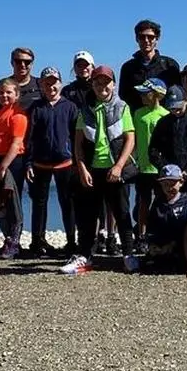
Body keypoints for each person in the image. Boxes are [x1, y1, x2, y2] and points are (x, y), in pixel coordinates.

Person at [66, 65, 137, 275]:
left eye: (106, 82)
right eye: (97, 82)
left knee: (122, 214)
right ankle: (84, 256)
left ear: (113, 84)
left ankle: (128, 255)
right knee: (88, 216)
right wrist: (81, 169)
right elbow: (77, 143)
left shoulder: (122, 107)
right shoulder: (84, 109)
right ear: (92, 84)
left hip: (115, 170)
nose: (102, 86)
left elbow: (130, 139)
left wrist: (119, 166)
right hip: (92, 171)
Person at [24, 66, 80, 257]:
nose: (51, 86)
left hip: (65, 163)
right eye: (46, 83)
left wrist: (78, 162)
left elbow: (76, 137)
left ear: (60, 83)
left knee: (68, 203)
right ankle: (37, 242)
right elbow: (29, 138)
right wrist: (28, 162)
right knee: (39, 204)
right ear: (41, 85)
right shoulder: (35, 108)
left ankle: (72, 242)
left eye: (54, 82)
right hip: (40, 163)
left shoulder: (70, 107)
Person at [0, 79, 28, 258]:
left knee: (13, 203)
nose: (4, 96)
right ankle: (9, 240)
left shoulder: (18, 115)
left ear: (17, 94)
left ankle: (14, 242)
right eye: (1, 93)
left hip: (11, 162)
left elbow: (16, 143)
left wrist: (3, 167)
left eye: (8, 92)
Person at [131, 78, 170, 252]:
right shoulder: (138, 113)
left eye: (145, 93)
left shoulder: (165, 114)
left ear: (155, 95)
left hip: (160, 168)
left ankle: (161, 234)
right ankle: (141, 236)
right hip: (143, 167)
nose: (141, 96)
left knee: (162, 202)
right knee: (143, 202)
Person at [149, 84, 187, 190]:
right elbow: (153, 149)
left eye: (178, 107)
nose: (176, 111)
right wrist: (164, 168)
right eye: (172, 108)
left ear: (186, 101)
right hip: (169, 178)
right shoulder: (163, 123)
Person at [119, 20, 181, 111]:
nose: (146, 40)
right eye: (142, 37)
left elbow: (178, 94)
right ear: (136, 39)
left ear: (157, 39)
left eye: (150, 37)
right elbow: (124, 96)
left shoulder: (170, 65)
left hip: (165, 119)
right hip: (137, 120)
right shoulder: (128, 68)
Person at [141, 164, 187, 274]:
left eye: (173, 183)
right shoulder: (158, 202)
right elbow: (152, 224)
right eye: (165, 184)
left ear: (181, 183)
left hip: (181, 244)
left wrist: (173, 245)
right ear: (160, 184)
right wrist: (151, 243)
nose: (169, 188)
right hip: (162, 243)